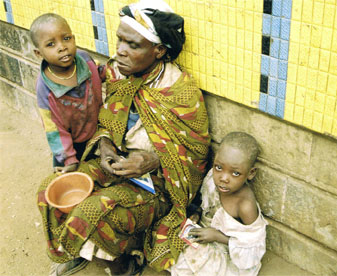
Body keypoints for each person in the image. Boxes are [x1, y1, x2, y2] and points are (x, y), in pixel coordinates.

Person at [35, 1, 210, 275]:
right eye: (119, 40)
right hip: (116, 165)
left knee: (93, 213)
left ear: (159, 50)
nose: (119, 50)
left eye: (133, 45)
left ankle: (124, 266)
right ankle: (75, 247)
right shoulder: (116, 73)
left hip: (157, 185)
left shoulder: (180, 91)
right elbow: (105, 120)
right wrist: (104, 146)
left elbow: (195, 156)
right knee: (49, 192)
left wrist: (152, 161)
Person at [170, 132, 268, 276]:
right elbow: (205, 203)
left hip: (229, 253)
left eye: (235, 173)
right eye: (219, 167)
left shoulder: (245, 205)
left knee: (189, 262)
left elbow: (254, 248)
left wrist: (217, 236)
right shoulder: (212, 177)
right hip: (207, 234)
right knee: (170, 237)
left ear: (251, 173)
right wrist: (197, 214)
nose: (223, 178)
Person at [30, 13, 102, 173]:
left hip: (96, 134)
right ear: (39, 53)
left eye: (66, 39)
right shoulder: (44, 88)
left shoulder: (85, 60)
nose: (62, 47)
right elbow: (53, 128)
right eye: (50, 44)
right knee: (71, 181)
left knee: (96, 174)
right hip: (69, 145)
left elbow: (100, 73)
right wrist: (68, 159)